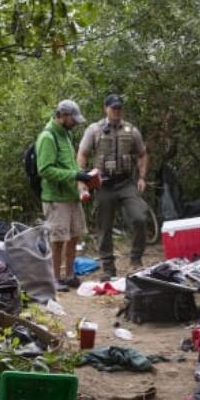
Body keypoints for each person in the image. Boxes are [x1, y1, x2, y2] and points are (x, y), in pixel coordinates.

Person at [78, 94, 149, 278]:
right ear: (106, 108)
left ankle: (136, 260)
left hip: (125, 182)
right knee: (104, 227)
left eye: (119, 108)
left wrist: (142, 177)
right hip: (103, 184)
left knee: (140, 217)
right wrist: (83, 179)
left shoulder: (131, 130)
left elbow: (142, 154)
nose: (116, 111)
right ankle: (109, 268)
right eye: (113, 108)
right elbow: (83, 154)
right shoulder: (94, 130)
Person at [36, 99, 97, 289]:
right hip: (56, 198)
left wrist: (83, 179)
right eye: (73, 119)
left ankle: (69, 275)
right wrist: (74, 174)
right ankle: (54, 278)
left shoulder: (65, 135)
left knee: (74, 236)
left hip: (71, 195)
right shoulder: (48, 137)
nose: (76, 123)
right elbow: (44, 170)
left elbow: (69, 164)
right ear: (62, 115)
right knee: (58, 239)